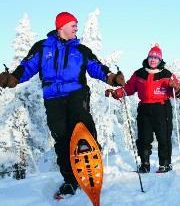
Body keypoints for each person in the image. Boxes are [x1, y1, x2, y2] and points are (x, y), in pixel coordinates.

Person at [0, 12, 125, 197]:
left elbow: (96, 67)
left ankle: (91, 157)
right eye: (73, 24)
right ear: (61, 27)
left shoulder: (81, 50)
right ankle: (70, 180)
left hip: (76, 93)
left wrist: (111, 77)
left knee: (81, 124)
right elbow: (28, 66)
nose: (76, 27)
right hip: (53, 99)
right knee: (62, 138)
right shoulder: (43, 47)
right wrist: (14, 78)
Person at [105, 44, 180, 173]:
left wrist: (177, 87)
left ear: (160, 60)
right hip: (145, 109)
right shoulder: (139, 73)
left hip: (162, 109)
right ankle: (145, 164)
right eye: (151, 57)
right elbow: (129, 88)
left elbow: (179, 91)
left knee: (163, 137)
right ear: (147, 58)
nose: (153, 60)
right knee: (144, 138)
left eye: (156, 58)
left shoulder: (167, 74)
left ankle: (165, 164)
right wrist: (116, 93)